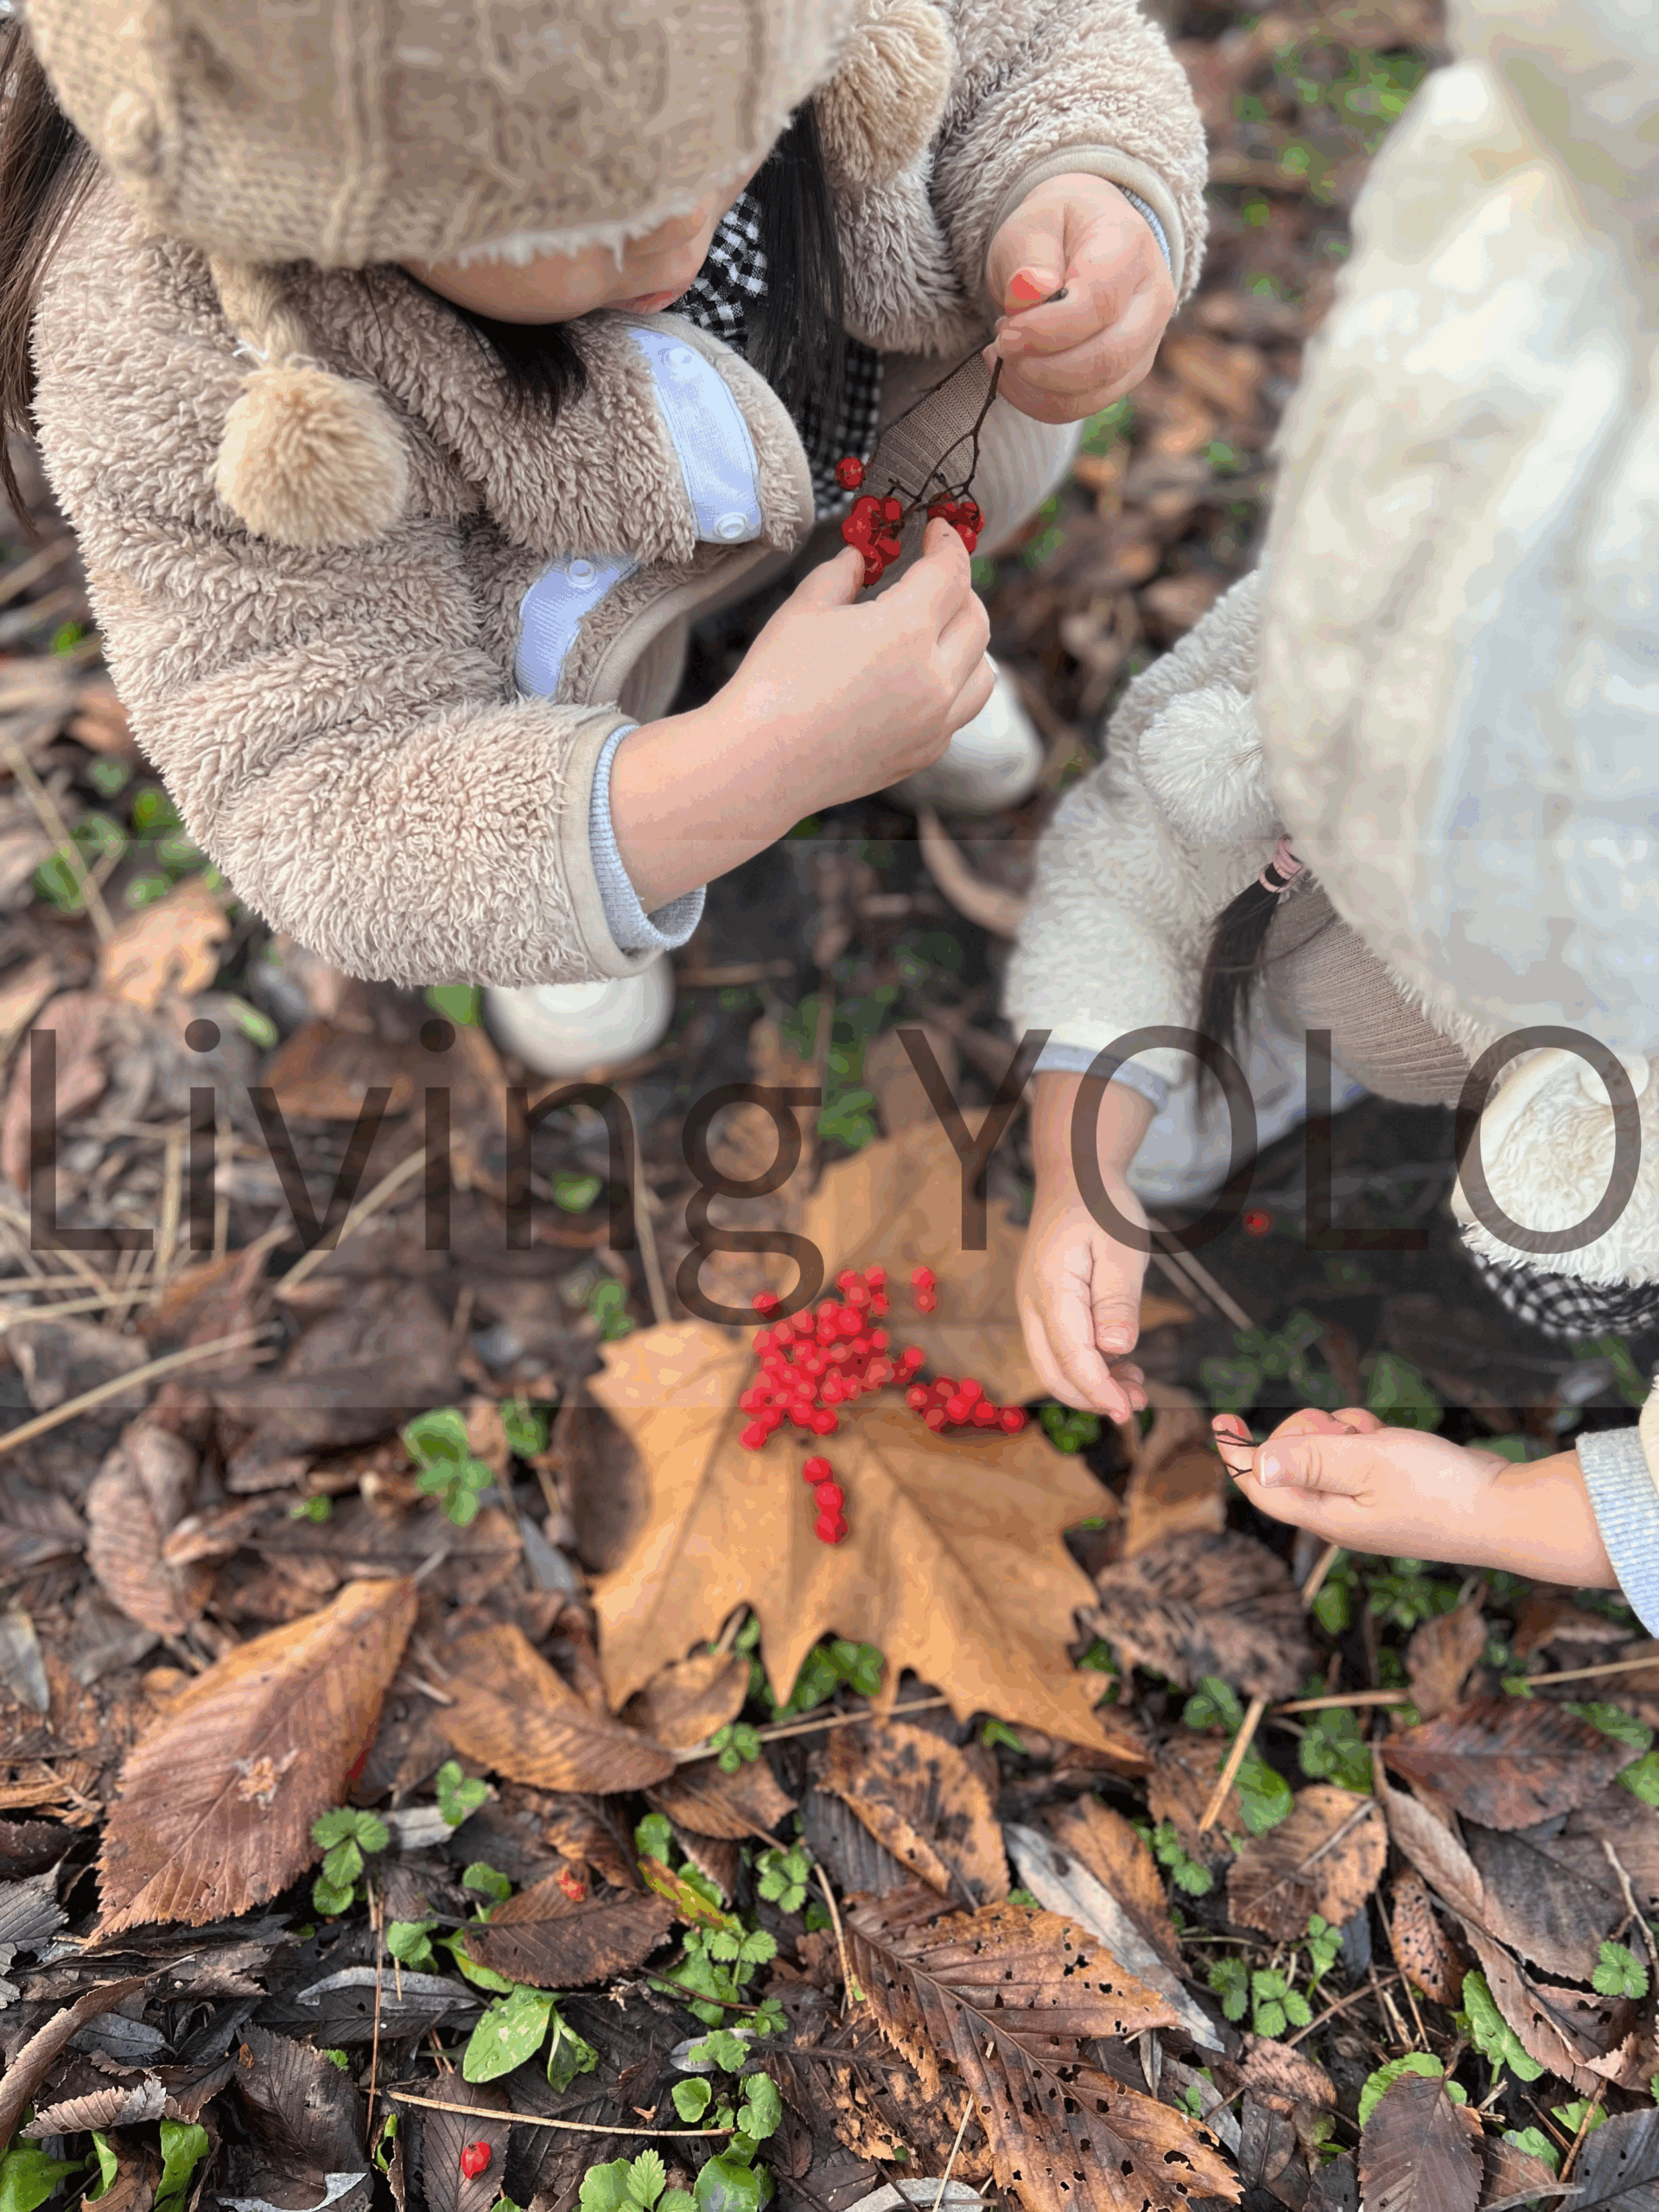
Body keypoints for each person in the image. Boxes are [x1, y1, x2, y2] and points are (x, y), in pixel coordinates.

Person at [0, 0, 1203, 1072]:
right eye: (560, 225)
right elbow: (310, 778)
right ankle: (603, 851)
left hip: (838, 440)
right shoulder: (176, 340)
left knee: (962, 462)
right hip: (550, 635)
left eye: (733, 135)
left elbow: (1042, 39)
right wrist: (734, 779)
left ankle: (892, 640)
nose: (679, 242)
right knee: (572, 730)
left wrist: (1083, 189)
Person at [1006, 0, 1659, 1622]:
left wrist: (1517, 1505)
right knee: (1304, 920)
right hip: (1441, 967)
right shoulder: (1393, 588)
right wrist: (1077, 1162)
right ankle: (1292, 1023)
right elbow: (1147, 846)